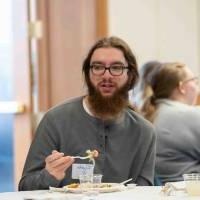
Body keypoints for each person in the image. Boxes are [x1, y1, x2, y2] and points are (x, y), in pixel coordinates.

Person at [19, 36, 156, 190]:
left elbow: (145, 192)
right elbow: (25, 187)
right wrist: (49, 176)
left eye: (116, 67)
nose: (106, 75)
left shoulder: (144, 131)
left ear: (130, 75)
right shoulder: (55, 121)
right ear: (88, 74)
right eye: (98, 67)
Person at [141, 62, 200, 184]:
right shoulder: (191, 115)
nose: (197, 88)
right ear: (182, 87)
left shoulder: (148, 114)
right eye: (195, 81)